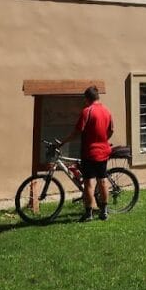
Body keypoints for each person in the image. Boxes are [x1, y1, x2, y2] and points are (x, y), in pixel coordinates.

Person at [58, 86, 114, 222]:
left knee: (89, 183)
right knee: (102, 180)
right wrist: (103, 140)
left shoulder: (87, 111)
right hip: (103, 151)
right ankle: (104, 212)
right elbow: (111, 130)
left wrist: (63, 142)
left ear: (87, 98)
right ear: (97, 97)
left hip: (89, 152)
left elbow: (77, 132)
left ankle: (88, 213)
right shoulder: (107, 111)